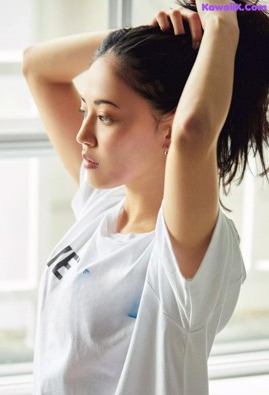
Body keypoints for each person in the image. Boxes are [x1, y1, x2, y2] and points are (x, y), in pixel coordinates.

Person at [22, 0, 269, 394]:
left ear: (168, 132)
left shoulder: (181, 254)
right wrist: (153, 39)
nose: (82, 134)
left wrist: (221, 22)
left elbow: (194, 133)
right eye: (86, 110)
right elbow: (36, 66)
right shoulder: (102, 204)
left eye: (105, 117)